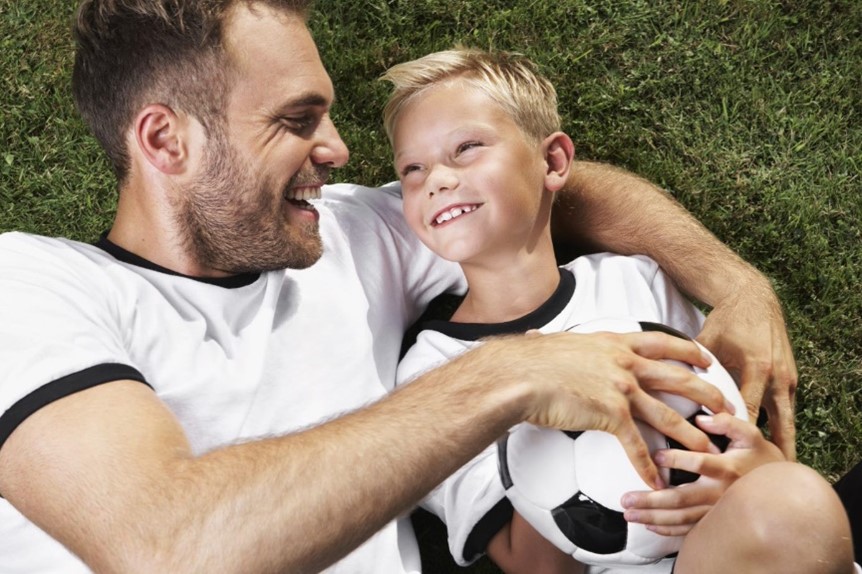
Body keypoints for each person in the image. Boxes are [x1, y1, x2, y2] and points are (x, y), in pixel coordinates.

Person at [0, 1, 802, 572]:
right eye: (296, 120)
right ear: (165, 141)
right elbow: (169, 549)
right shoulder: (33, 287)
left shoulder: (337, 235)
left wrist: (734, 285)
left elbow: (556, 189)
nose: (340, 150)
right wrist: (514, 372)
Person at [387, 47, 856, 573]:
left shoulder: (635, 281)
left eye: (467, 147)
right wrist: (529, 399)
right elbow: (538, 568)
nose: (437, 179)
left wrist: (758, 466)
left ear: (554, 162)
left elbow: (729, 434)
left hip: (752, 543)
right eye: (412, 169)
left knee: (791, 501)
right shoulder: (431, 374)